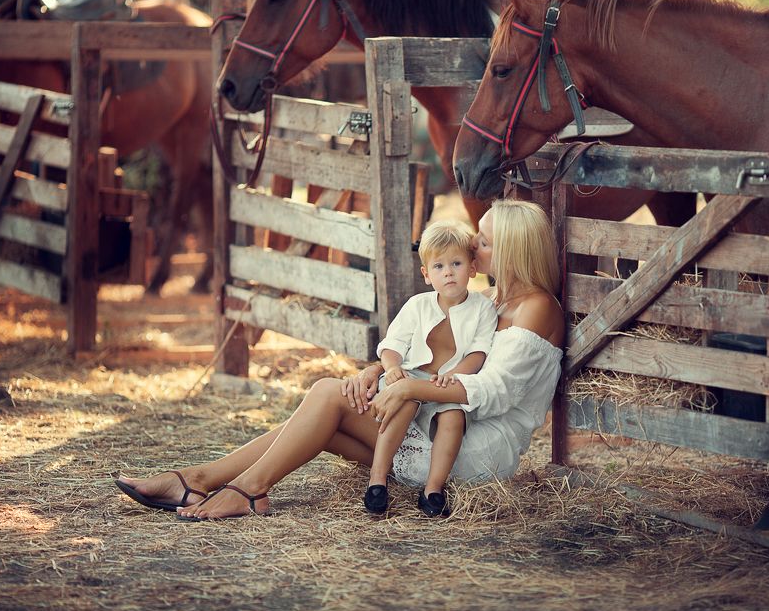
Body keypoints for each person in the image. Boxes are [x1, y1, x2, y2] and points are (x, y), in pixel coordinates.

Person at [113, 199, 565, 521]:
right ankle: (202, 479)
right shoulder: (497, 300)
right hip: (439, 420)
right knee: (321, 418)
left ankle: (242, 489)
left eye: (482, 241)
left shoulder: (536, 306)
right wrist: (377, 371)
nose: (471, 247)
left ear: (511, 248)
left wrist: (408, 387)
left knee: (328, 395)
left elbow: (495, 393)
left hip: (475, 449)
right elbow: (439, 359)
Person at [365, 220, 497, 516]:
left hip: (447, 385)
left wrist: (456, 374)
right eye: (438, 266)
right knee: (406, 398)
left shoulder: (482, 309)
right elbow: (391, 344)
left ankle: (433, 490)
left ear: (473, 268)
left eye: (456, 263)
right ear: (426, 274)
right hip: (410, 377)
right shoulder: (417, 305)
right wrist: (393, 367)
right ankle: (377, 479)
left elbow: (479, 352)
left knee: (453, 417)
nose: (448, 272)